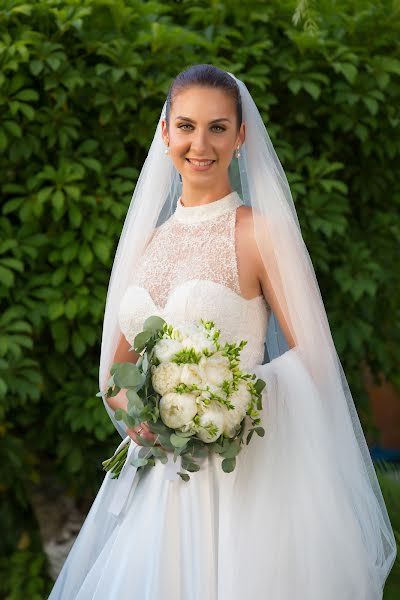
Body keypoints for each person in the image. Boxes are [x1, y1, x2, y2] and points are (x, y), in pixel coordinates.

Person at [48, 64, 396, 599]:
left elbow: (317, 364)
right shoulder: (148, 241)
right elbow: (116, 377)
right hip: (165, 488)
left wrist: (229, 399)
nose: (199, 144)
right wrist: (142, 420)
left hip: (247, 488)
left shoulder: (259, 232)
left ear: (240, 135)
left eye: (216, 127)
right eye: (186, 126)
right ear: (165, 133)